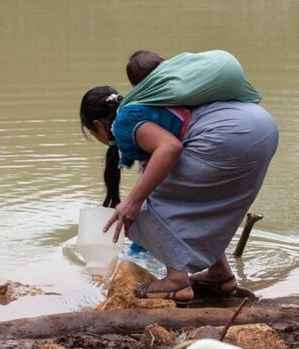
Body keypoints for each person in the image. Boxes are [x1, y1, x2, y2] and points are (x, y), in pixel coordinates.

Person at [79, 85, 278, 305]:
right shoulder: (147, 108)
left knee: (145, 200)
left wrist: (133, 202)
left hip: (230, 135)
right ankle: (220, 274)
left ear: (98, 125)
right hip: (260, 127)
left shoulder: (128, 124)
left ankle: (176, 281)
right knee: (196, 202)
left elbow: (170, 147)